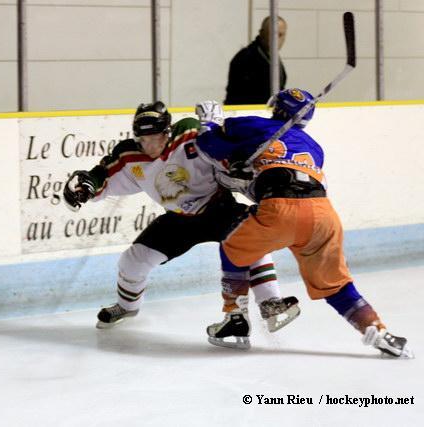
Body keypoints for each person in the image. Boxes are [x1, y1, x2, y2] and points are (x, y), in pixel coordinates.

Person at [62, 101, 300, 349]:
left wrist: (231, 152)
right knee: (132, 261)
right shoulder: (130, 155)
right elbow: (103, 175)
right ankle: (127, 307)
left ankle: (271, 304)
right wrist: (86, 188)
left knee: (252, 242)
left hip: (219, 208)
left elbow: (222, 146)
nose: (150, 146)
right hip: (179, 221)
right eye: (143, 140)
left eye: (155, 138)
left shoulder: (188, 132)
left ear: (167, 131)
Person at [195, 89, 413, 358]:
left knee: (233, 250)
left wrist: (209, 123)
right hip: (322, 213)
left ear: (276, 107)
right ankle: (379, 332)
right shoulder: (314, 146)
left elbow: (209, 147)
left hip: (280, 207)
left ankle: (235, 319)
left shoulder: (252, 124)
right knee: (334, 283)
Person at [224, 16, 287, 105]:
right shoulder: (245, 58)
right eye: (272, 34)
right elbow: (242, 97)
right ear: (262, 33)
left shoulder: (273, 57)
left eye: (281, 35)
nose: (276, 40)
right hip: (246, 114)